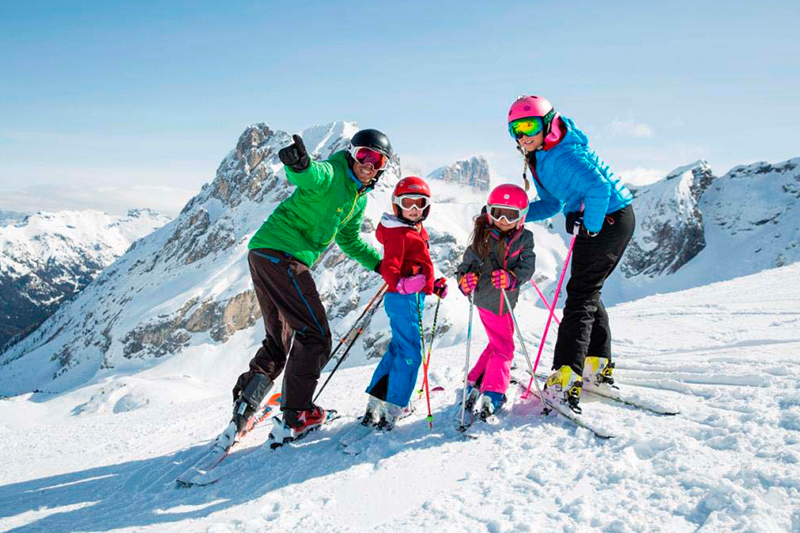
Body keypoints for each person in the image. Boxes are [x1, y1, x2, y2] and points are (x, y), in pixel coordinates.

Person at [231, 128, 393, 446]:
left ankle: (245, 405)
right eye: (364, 154)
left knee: (280, 340)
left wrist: (382, 265)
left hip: (264, 254)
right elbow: (310, 176)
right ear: (351, 153)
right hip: (283, 255)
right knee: (315, 335)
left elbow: (349, 240)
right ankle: (298, 413)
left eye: (377, 160)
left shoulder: (357, 200)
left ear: (383, 167)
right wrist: (300, 164)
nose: (369, 164)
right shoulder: (333, 173)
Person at [507, 94, 635, 413]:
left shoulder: (562, 154)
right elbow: (552, 203)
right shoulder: (541, 157)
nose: (523, 135)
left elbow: (599, 188)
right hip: (604, 217)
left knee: (579, 296)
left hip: (608, 216)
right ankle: (596, 367)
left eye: (529, 125)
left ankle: (565, 378)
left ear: (548, 123)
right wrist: (513, 215)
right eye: (516, 129)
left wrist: (590, 225)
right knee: (587, 291)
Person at [363, 176, 448, 430]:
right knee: (411, 352)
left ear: (427, 206)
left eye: (419, 203)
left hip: (411, 296)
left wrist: (432, 285)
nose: (413, 208)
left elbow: (418, 266)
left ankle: (377, 400)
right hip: (404, 298)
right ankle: (397, 404)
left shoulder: (415, 229)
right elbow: (390, 266)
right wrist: (400, 284)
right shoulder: (398, 233)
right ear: (396, 205)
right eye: (407, 203)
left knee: (398, 349)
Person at [456, 184, 536, 420]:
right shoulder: (482, 238)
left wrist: (513, 278)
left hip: (507, 300)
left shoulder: (525, 238)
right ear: (489, 212)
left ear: (521, 217)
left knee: (498, 342)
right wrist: (465, 281)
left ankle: (475, 379)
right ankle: (493, 392)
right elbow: (464, 268)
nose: (503, 220)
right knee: (504, 348)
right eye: (498, 213)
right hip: (487, 300)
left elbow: (527, 266)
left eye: (510, 215)